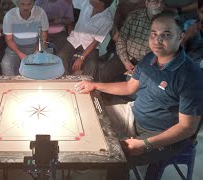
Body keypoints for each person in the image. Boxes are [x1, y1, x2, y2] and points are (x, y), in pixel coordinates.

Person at [75, 12, 203, 168]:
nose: (157, 40)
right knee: (87, 121)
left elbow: (187, 128)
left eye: (166, 35)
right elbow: (130, 87)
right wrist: (95, 85)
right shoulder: (150, 58)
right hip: (134, 114)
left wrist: (145, 144)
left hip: (160, 133)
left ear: (180, 37)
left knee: (115, 161)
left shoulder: (191, 76)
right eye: (153, 34)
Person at [98, 0, 164, 82]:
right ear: (147, 3)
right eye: (155, 2)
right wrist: (126, 61)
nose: (159, 5)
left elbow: (163, 51)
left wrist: (143, 65)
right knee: (105, 74)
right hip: (127, 55)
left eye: (161, 2)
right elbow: (121, 40)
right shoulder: (134, 16)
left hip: (147, 62)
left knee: (144, 85)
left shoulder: (165, 23)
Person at [57, 0, 114, 76]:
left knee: (92, 64)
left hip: (89, 45)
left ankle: (85, 85)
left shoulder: (108, 20)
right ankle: (64, 80)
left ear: (101, 3)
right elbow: (72, 2)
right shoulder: (87, 3)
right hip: (75, 39)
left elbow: (95, 42)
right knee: (62, 55)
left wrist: (81, 58)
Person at [1, 0, 49, 76]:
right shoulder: (9, 15)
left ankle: (40, 85)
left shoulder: (40, 13)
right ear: (17, 3)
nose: (25, 8)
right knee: (6, 64)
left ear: (33, 3)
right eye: (22, 4)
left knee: (46, 64)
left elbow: (44, 35)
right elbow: (8, 39)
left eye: (29, 4)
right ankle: (11, 86)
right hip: (15, 47)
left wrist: (37, 51)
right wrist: (20, 54)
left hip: (36, 45)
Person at [182, 0, 203, 69]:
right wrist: (186, 37)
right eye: (202, 12)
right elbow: (175, 52)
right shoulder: (188, 25)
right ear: (197, 11)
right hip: (189, 67)